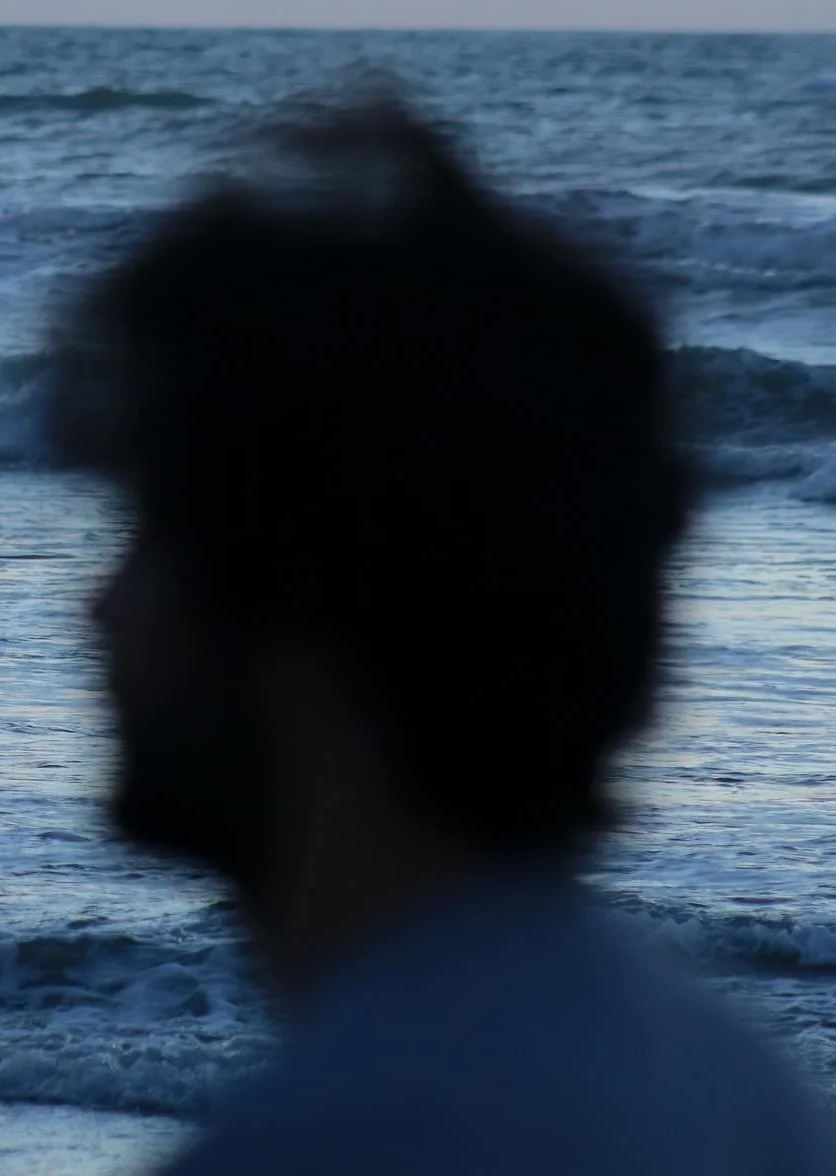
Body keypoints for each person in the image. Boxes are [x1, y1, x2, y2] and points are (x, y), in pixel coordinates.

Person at [46, 98, 835, 1174]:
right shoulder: (730, 1082)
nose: (99, 607)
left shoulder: (334, 1143)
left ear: (306, 625)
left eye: (150, 535)